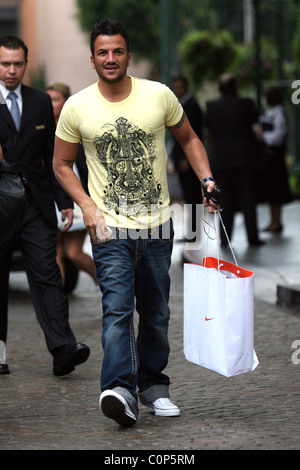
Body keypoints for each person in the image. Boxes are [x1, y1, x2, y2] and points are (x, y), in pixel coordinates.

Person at [53, 19, 219, 427]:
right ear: (92, 60)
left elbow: (190, 139)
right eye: (103, 53)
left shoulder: (159, 95)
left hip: (159, 224)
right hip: (108, 227)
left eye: (118, 51)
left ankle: (154, 386)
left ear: (128, 55)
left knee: (157, 312)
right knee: (117, 310)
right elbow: (60, 164)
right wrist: (88, 207)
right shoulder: (77, 106)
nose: (111, 59)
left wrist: (207, 179)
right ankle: (119, 390)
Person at [0, 35, 90, 375]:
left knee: (48, 274)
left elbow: (51, 156)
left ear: (25, 63)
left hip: (36, 205)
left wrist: (63, 200)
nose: (11, 70)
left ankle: (63, 348)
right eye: (5, 64)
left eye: (17, 64)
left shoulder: (39, 101)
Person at [45, 83, 98, 289]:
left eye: (55, 99)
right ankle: (58, 304)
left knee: (74, 254)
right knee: (55, 252)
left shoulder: (76, 126)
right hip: (50, 196)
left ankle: (102, 284)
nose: (50, 104)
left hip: (76, 192)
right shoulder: (41, 127)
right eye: (47, 99)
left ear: (66, 101)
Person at [205, 73, 263, 247]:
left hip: (222, 159)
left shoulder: (212, 106)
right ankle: (253, 237)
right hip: (244, 158)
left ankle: (225, 238)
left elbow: (209, 130)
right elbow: (255, 124)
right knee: (248, 199)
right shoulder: (246, 104)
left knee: (225, 200)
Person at [252, 87, 293, 232]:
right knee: (271, 191)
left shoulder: (279, 115)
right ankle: (273, 220)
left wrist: (261, 133)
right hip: (269, 160)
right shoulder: (270, 114)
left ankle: (277, 221)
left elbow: (276, 139)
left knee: (276, 191)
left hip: (275, 159)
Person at [169, 75, 204, 241]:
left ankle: (194, 233)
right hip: (182, 159)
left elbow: (191, 136)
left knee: (192, 197)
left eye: (179, 87)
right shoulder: (183, 104)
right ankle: (192, 232)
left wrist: (185, 159)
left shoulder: (191, 106)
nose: (177, 91)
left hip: (187, 161)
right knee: (190, 197)